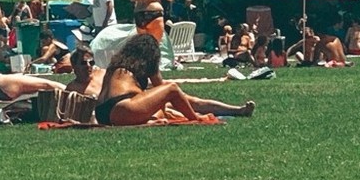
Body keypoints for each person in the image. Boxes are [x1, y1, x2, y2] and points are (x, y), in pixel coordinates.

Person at [92, 33, 254, 125]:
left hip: (102, 113)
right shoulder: (145, 65)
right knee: (173, 89)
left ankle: (236, 110)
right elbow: (164, 88)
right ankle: (197, 118)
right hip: (123, 109)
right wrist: (192, 114)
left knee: (180, 98)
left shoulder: (117, 66)